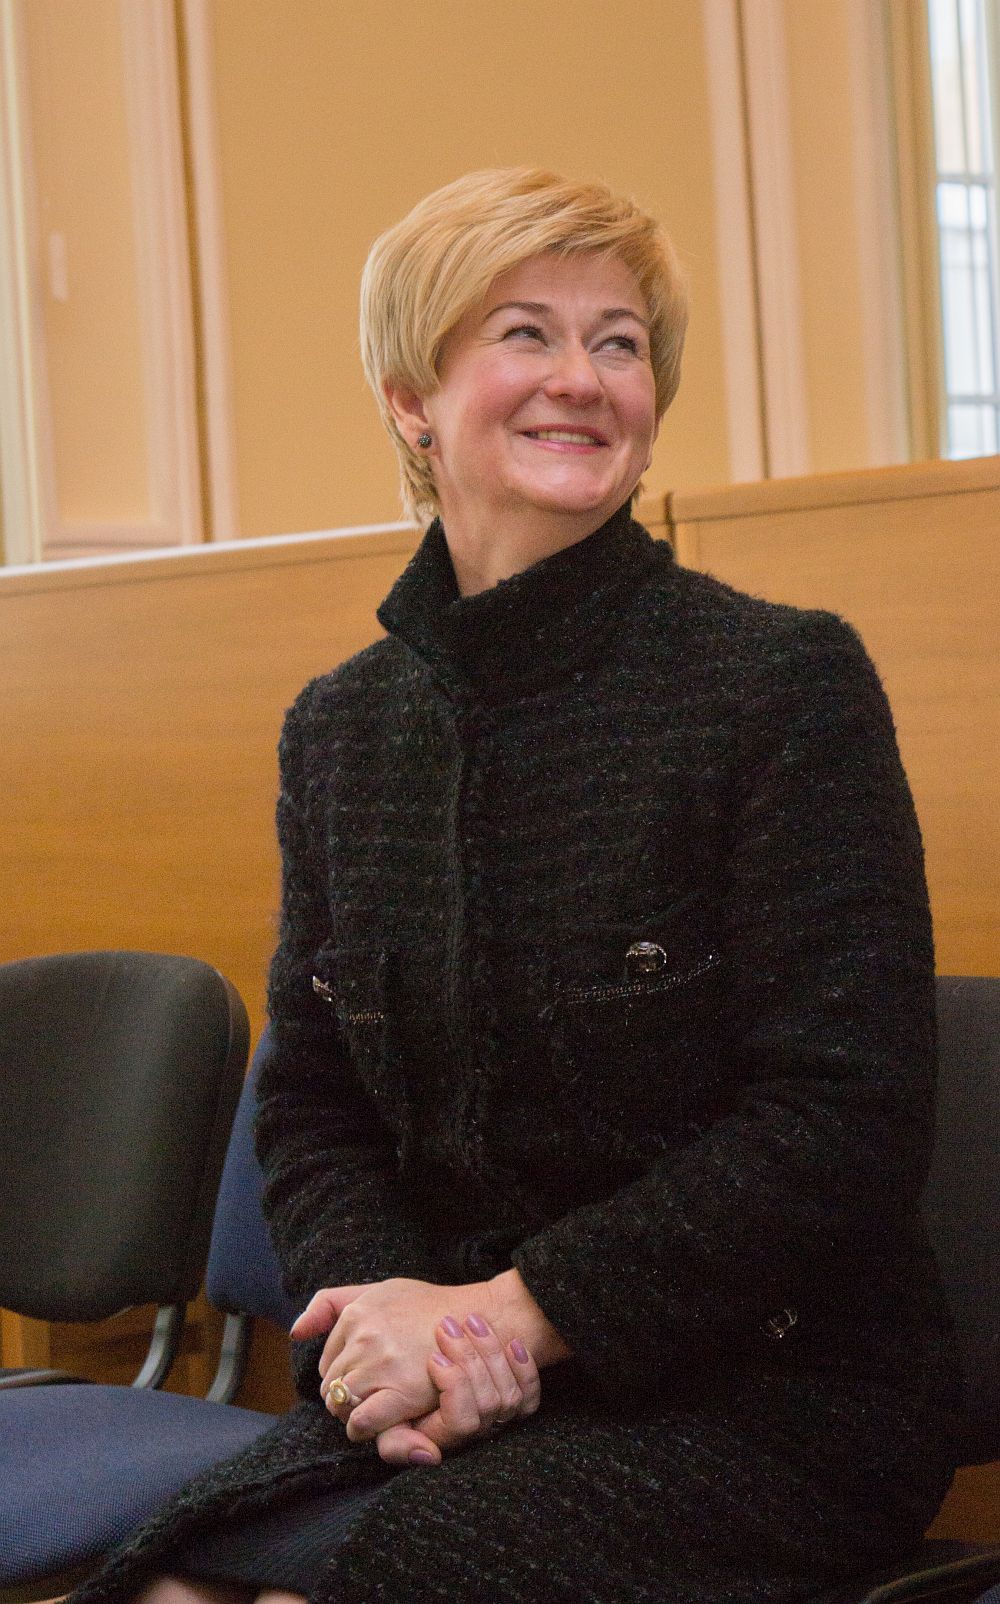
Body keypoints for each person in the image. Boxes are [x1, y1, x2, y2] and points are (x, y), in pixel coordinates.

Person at [68, 167, 962, 1604]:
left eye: (620, 342)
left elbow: (840, 1119)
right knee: (170, 1582)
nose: (584, 379)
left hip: (770, 1394)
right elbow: (313, 1104)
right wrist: (382, 1327)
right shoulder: (341, 729)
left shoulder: (781, 684)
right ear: (409, 399)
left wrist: (516, 1319)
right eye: (526, 334)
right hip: (451, 1384)